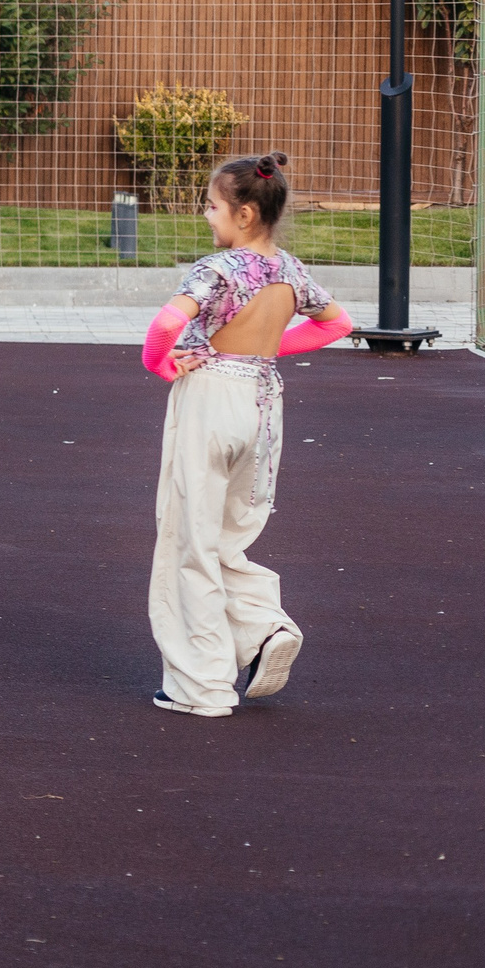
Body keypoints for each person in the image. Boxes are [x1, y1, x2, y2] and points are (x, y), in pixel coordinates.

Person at [139, 152, 352, 718]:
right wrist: (270, 348)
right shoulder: (291, 271)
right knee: (229, 537)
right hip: (263, 405)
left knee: (189, 539)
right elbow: (339, 323)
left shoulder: (217, 270)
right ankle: (262, 628)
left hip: (211, 399)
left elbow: (164, 326)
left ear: (246, 215)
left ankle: (200, 686)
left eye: (213, 207)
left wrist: (160, 364)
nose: (207, 216)